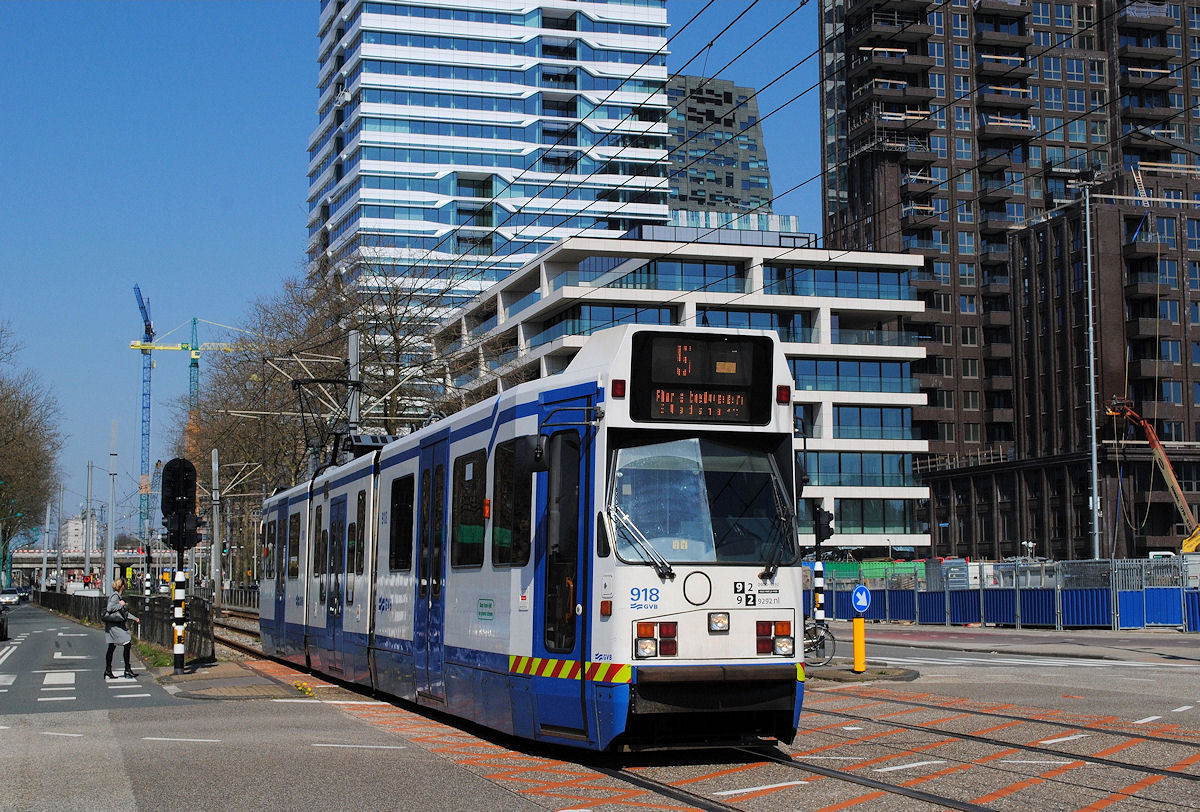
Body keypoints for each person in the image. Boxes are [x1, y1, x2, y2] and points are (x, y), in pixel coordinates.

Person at [102, 577, 138, 679]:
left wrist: (135, 618)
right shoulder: (115, 596)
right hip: (115, 626)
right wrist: (120, 604)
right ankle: (127, 669)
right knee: (127, 642)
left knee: (112, 646)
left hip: (113, 625)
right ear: (122, 586)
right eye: (124, 585)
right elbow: (110, 608)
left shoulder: (116, 596)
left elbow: (123, 613)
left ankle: (108, 670)